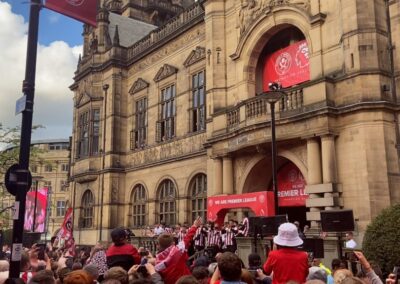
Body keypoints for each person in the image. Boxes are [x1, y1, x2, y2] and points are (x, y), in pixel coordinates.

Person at [154, 217, 201, 284]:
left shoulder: (157, 261)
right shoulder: (177, 251)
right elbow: (187, 238)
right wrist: (195, 226)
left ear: (158, 245)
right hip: (186, 281)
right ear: (172, 243)